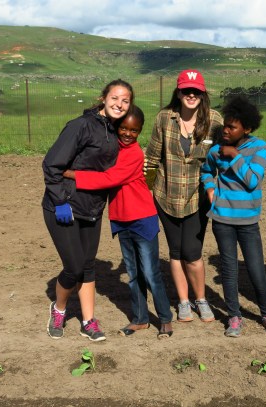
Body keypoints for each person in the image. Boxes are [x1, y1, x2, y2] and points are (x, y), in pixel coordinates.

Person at [63, 106, 173, 340]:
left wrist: (74, 174)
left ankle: (164, 318)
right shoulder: (111, 148)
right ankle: (141, 319)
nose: (127, 133)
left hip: (142, 218)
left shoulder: (134, 154)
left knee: (151, 273)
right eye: (123, 127)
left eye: (134, 130)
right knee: (133, 274)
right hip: (121, 219)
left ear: (140, 131)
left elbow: (109, 178)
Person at [42, 79, 134, 342]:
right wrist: (60, 201)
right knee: (73, 267)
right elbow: (51, 164)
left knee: (88, 266)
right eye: (115, 98)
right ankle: (58, 309)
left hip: (92, 207)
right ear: (104, 98)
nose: (119, 104)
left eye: (125, 101)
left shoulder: (119, 132)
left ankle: (88, 321)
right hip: (64, 206)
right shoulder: (80, 126)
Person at [201, 95, 266, 338]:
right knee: (229, 269)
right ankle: (234, 316)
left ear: (246, 128)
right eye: (225, 125)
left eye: (231, 127)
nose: (225, 130)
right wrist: (210, 189)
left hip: (248, 220)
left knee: (256, 267)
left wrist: (234, 156)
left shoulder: (258, 148)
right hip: (222, 218)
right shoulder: (216, 150)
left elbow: (252, 181)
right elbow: (206, 170)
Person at [145, 69, 223, 323]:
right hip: (166, 194)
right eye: (186, 90)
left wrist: (256, 150)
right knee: (175, 251)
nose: (191, 95)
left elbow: (230, 148)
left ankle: (201, 298)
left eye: (196, 91)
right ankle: (183, 301)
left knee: (193, 251)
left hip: (198, 196)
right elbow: (153, 158)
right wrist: (147, 190)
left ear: (203, 93)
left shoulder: (214, 120)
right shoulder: (164, 119)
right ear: (178, 93)